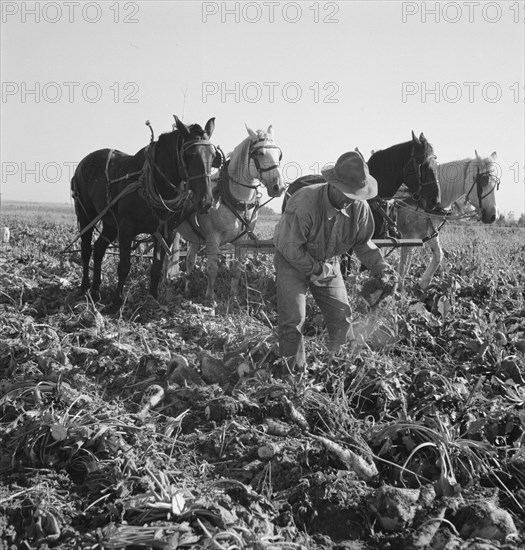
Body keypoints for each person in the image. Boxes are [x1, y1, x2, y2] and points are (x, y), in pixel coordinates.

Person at [273, 150, 395, 370]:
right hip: (292, 262)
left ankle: (336, 370)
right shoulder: (305, 203)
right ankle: (291, 379)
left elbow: (363, 243)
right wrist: (317, 270)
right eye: (349, 193)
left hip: (328, 262)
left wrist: (381, 269)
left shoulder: (360, 208)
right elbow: (290, 249)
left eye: (357, 194)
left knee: (342, 317)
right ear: (333, 184)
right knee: (293, 322)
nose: (352, 200)